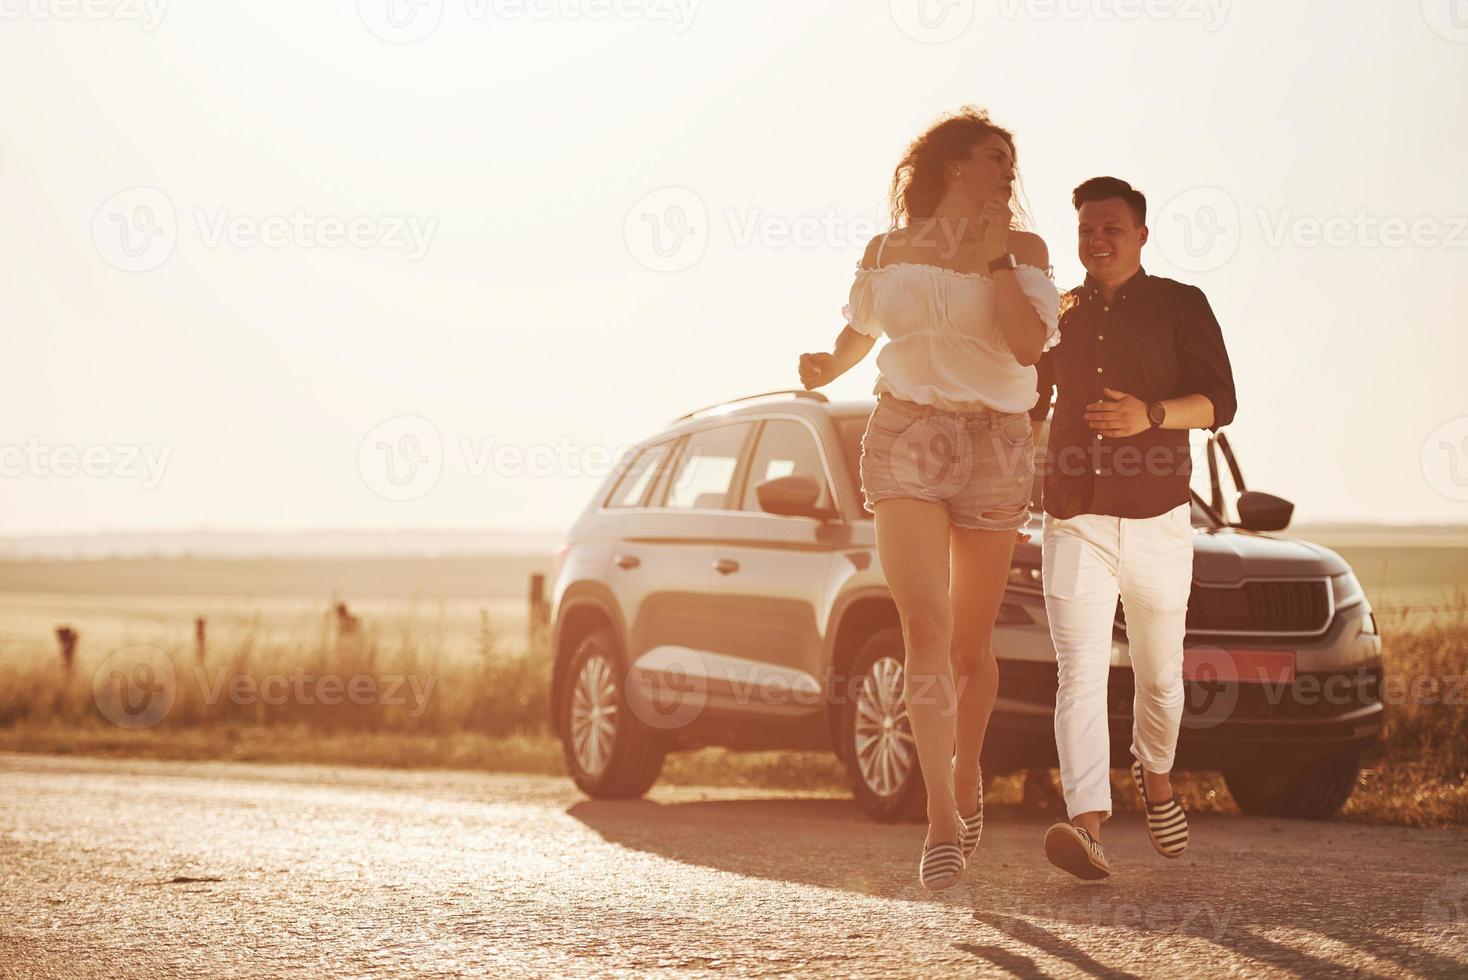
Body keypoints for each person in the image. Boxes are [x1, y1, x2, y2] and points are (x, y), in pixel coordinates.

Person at [797, 106, 1060, 891]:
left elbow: (1027, 345)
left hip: (996, 443)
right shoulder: (888, 251)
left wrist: (995, 263)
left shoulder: (1025, 251)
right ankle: (942, 815)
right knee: (922, 624)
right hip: (907, 433)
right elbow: (863, 329)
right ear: (953, 166)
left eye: (1012, 161)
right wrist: (827, 368)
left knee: (969, 650)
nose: (1008, 170)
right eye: (993, 156)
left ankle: (968, 771)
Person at [1031, 176, 1237, 879]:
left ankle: (1157, 776)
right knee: (1079, 674)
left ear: (1142, 235)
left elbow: (1221, 403)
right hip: (1074, 516)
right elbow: (1030, 399)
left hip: (1157, 518)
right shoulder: (1056, 313)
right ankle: (1087, 826)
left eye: (1111, 227)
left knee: (1160, 677)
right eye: (1087, 228)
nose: (1097, 239)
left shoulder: (1182, 305)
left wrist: (1149, 415)